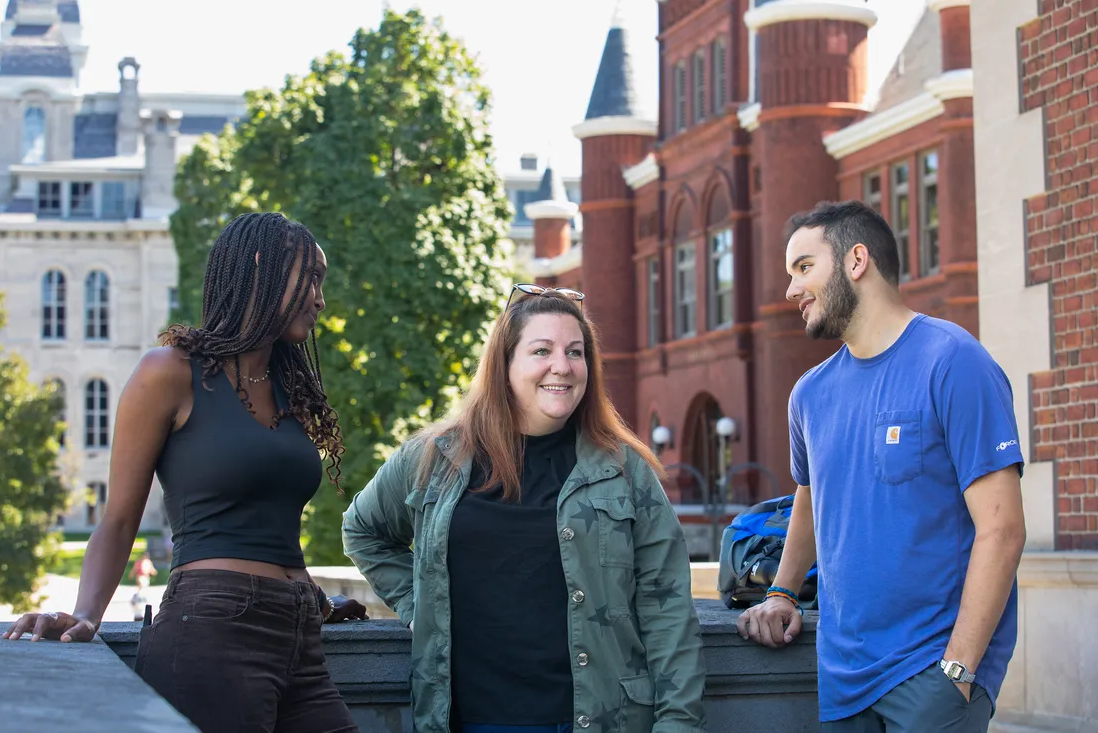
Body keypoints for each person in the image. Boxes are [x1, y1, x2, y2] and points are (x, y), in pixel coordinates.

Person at [4, 212, 368, 733]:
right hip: (214, 630)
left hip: (301, 634)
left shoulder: (292, 391)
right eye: (308, 277)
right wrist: (86, 614)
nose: (319, 298)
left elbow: (267, 523)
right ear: (261, 268)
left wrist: (310, 598)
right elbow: (119, 518)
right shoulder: (170, 373)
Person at [342, 284, 707, 733]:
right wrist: (420, 606)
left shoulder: (625, 470)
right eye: (541, 350)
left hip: (599, 720)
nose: (563, 366)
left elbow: (667, 605)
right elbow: (363, 530)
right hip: (467, 721)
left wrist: (679, 724)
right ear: (505, 364)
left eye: (576, 352)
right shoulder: (433, 458)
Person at [736, 200, 1026, 733]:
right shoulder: (810, 394)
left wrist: (957, 671)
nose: (791, 290)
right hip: (841, 680)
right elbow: (811, 498)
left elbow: (1003, 529)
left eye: (804, 268)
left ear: (856, 261)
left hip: (930, 675)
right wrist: (781, 591)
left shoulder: (953, 361)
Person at [128, 551, 158, 621]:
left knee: (144, 589)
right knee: (141, 588)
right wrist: (132, 575)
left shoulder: (148, 562)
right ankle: (138, 598)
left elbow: (151, 569)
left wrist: (154, 572)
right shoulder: (139, 562)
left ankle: (141, 599)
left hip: (146, 577)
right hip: (140, 576)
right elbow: (135, 569)